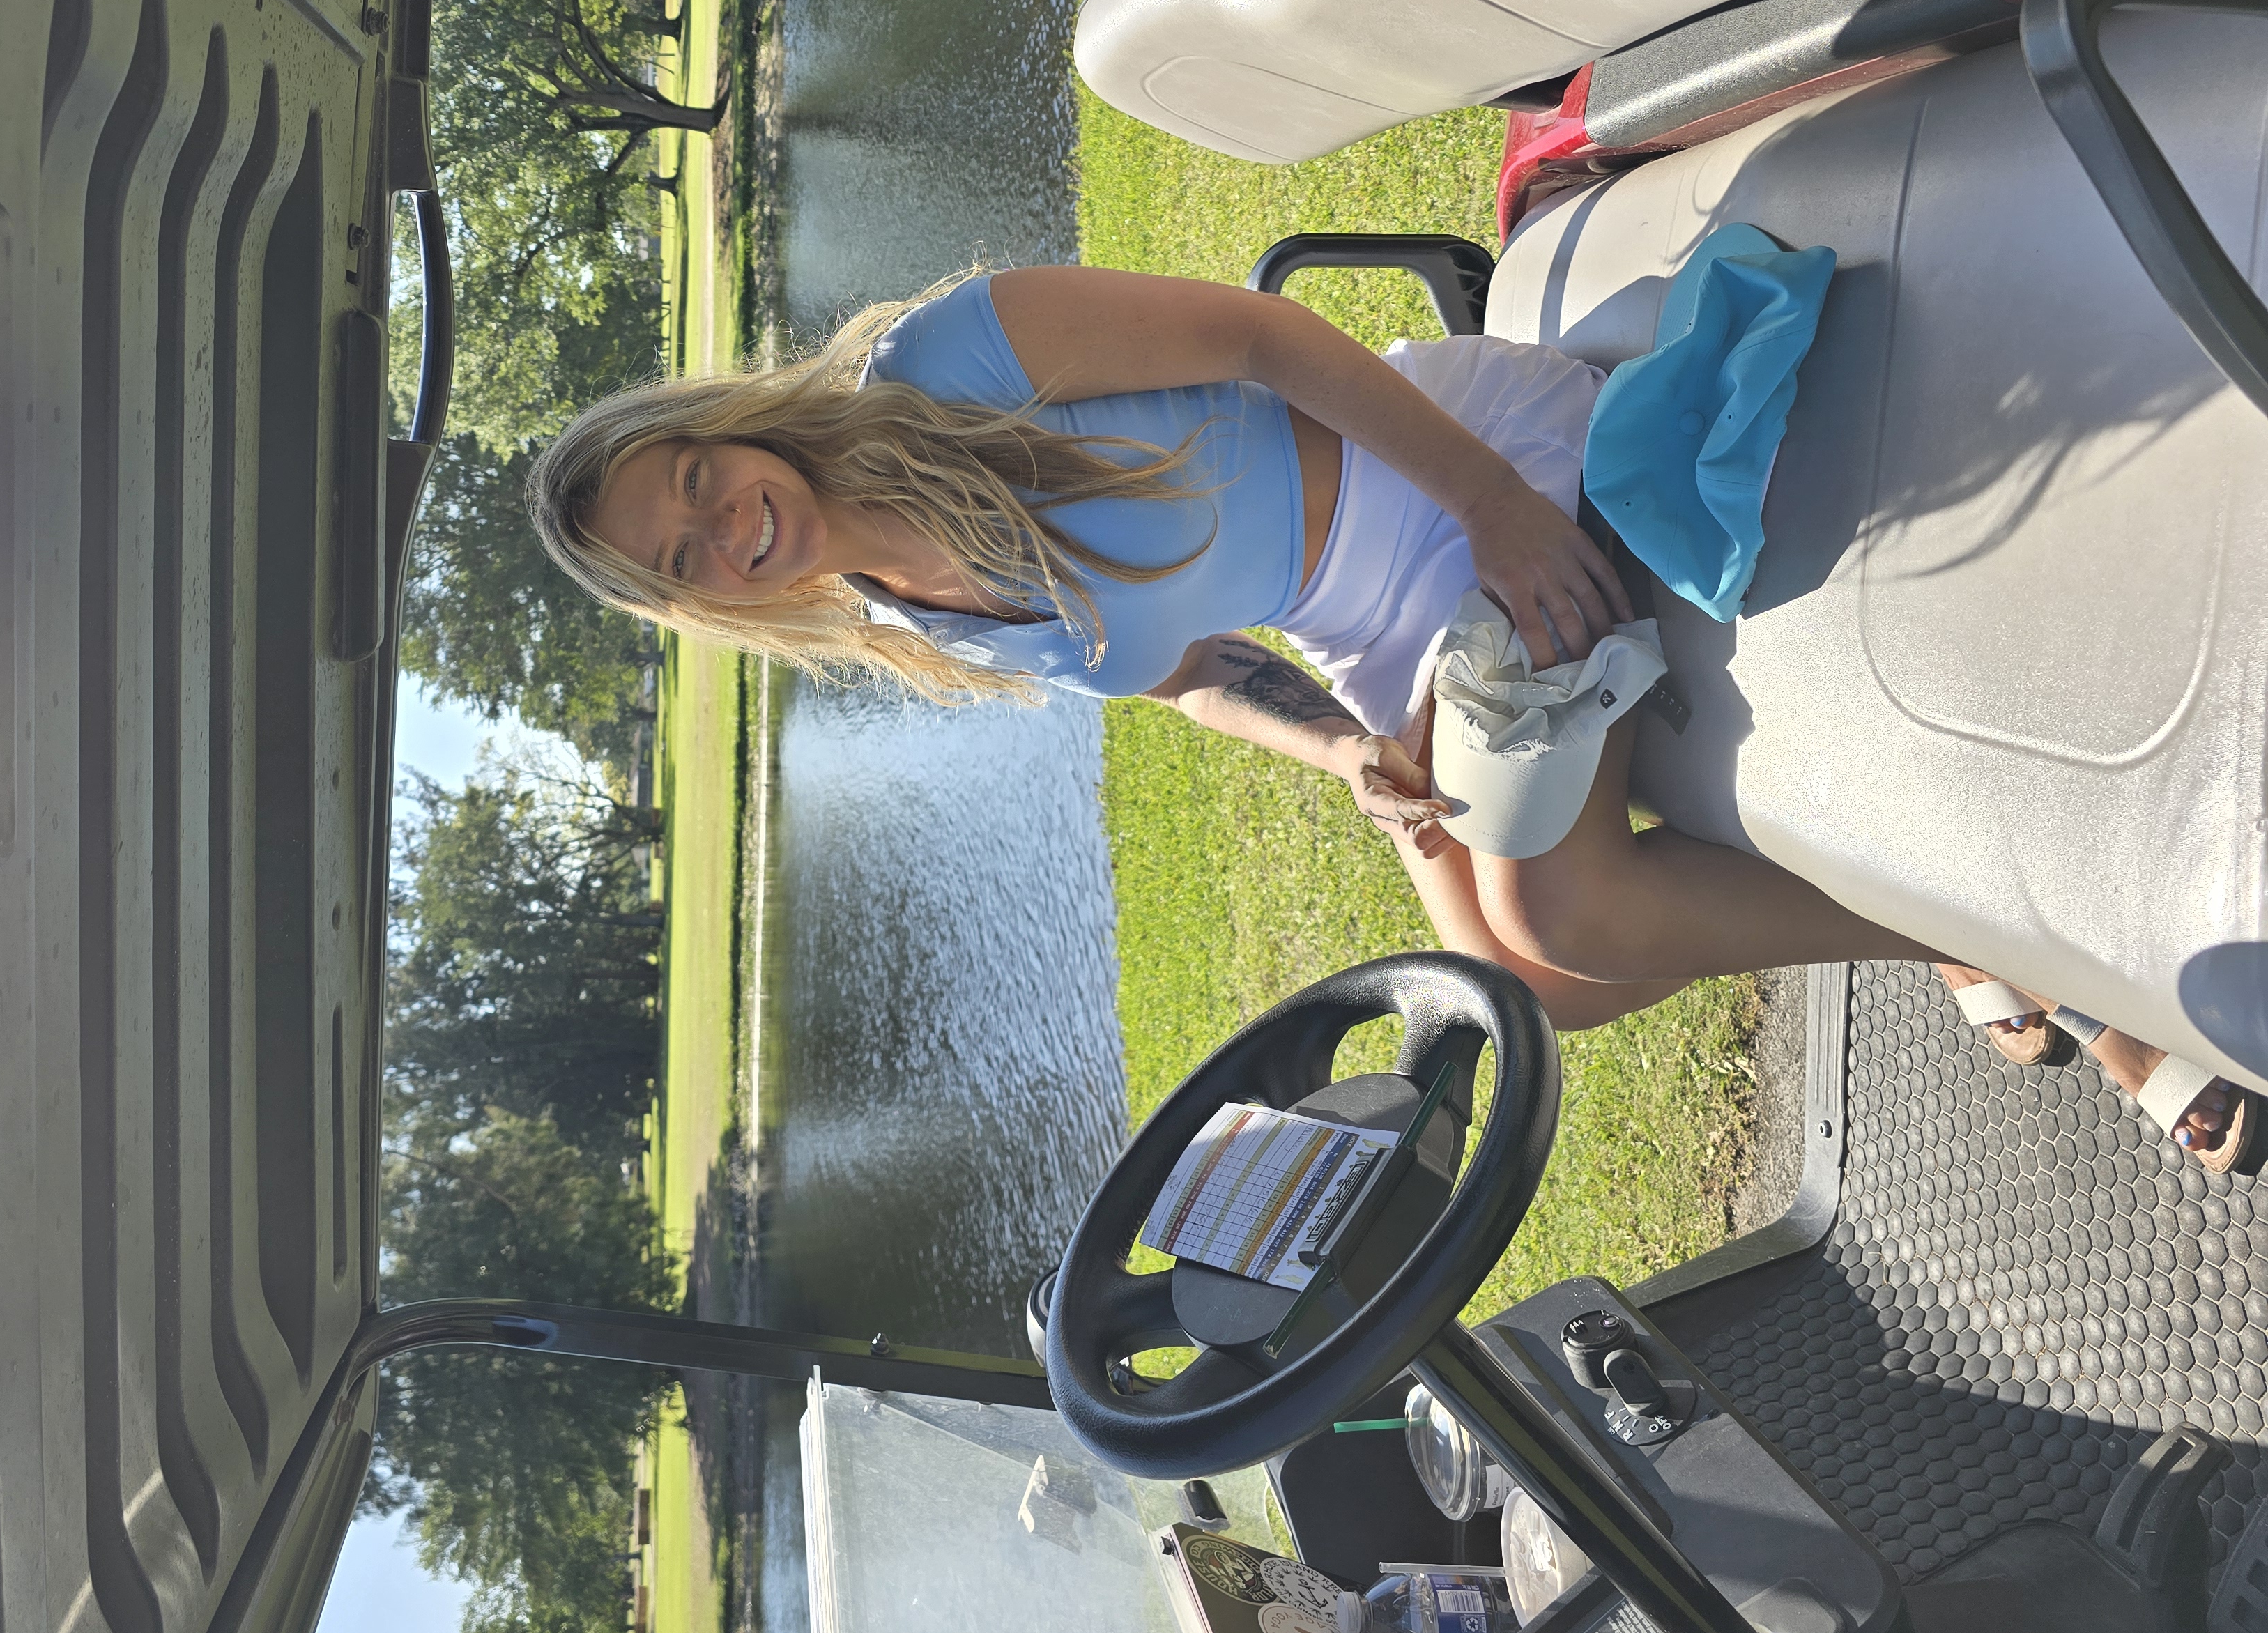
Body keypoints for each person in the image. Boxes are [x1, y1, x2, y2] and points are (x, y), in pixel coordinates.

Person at [528, 264, 2255, 1164]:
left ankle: (2023, 958)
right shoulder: (911, 621)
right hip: (1378, 650)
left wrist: (1501, 515)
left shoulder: (949, 363)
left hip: (1453, 487)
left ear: (719, 426)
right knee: (1520, 994)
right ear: (710, 605)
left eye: (697, 478)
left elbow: (1272, 341)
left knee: (1561, 902)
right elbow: (1191, 679)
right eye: (689, 556)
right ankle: (1956, 937)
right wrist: (1337, 748)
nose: (725, 520)